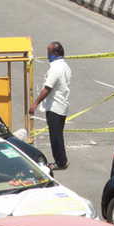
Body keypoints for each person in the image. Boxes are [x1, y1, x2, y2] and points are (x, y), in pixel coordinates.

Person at [30, 42, 72, 170]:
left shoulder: (56, 68)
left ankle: (60, 162)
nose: (47, 55)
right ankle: (62, 160)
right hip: (62, 105)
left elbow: (47, 88)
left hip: (55, 107)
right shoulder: (65, 66)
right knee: (58, 134)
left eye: (49, 52)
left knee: (55, 136)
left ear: (55, 53)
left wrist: (35, 104)